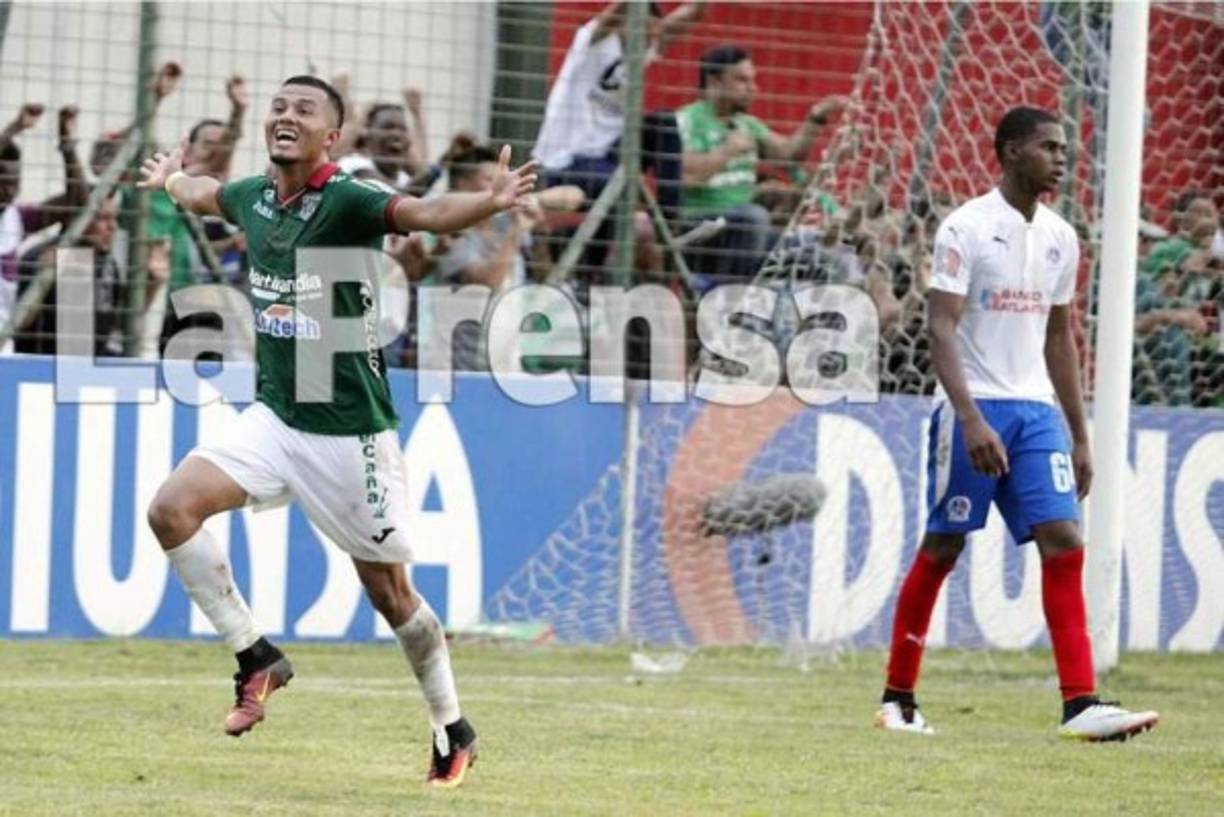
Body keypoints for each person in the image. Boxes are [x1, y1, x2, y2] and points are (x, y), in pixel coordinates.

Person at [138, 75, 536, 787]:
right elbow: (203, 194)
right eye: (280, 106)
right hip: (276, 416)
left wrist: (490, 202)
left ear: (331, 136)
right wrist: (171, 181)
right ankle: (255, 655)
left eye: (305, 110)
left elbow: (427, 211)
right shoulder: (254, 196)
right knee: (171, 508)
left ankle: (453, 726)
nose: (287, 116)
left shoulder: (347, 200)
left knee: (392, 597)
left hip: (350, 433)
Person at [874, 106, 1158, 741]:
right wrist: (970, 417)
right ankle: (898, 699)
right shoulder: (966, 228)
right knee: (944, 546)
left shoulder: (1061, 236)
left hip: (1036, 413)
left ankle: (1080, 704)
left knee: (1065, 541)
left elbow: (1060, 337)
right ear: (1007, 152)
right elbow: (940, 326)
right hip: (974, 409)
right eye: (1048, 147)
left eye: (1064, 148)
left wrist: (1080, 434)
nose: (1062, 158)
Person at [677, 45, 847, 280]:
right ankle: (730, 303)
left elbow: (788, 156)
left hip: (749, 234)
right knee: (753, 217)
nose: (753, 89)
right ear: (714, 81)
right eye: (741, 81)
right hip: (702, 228)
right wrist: (728, 150)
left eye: (752, 80)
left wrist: (817, 117)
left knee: (823, 254)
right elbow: (686, 178)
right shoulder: (687, 120)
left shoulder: (748, 124)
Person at [1, 104, 89, 349]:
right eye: (2, 183)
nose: (9, 191)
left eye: (14, 183)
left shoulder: (15, 219)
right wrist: (13, 128)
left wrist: (67, 146)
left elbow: (79, 203)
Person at [338, 88, 441, 197]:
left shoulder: (404, 179)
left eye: (402, 129)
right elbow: (395, 198)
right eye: (387, 127)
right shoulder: (354, 165)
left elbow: (419, 170)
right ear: (368, 137)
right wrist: (439, 166)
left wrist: (417, 114)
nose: (396, 134)